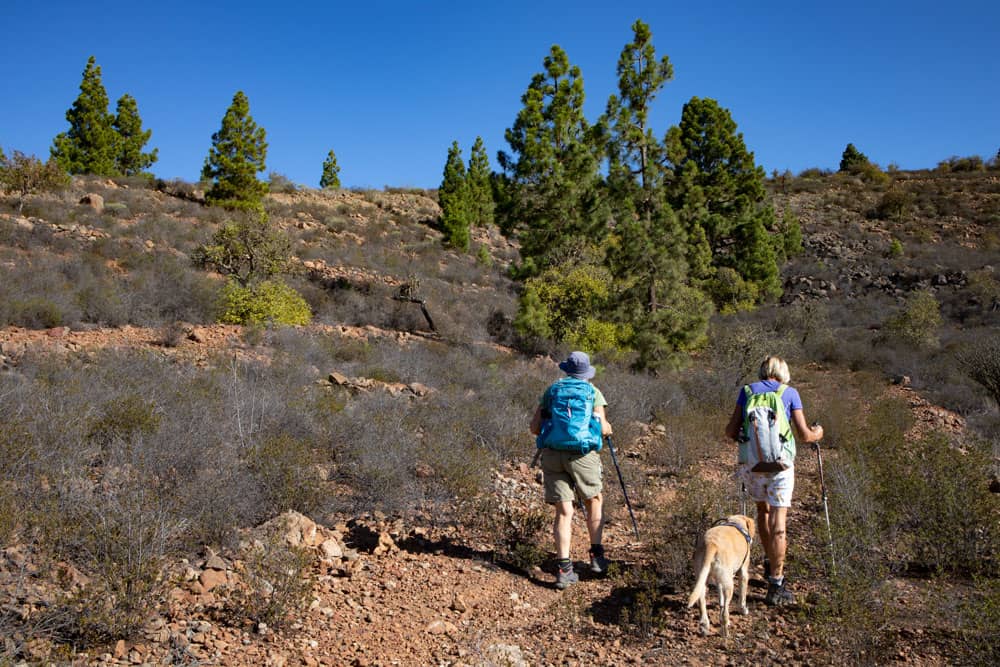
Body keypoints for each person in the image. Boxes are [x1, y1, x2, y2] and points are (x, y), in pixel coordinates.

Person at [724, 355, 823, 606]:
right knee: (779, 522)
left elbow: (729, 431)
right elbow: (804, 435)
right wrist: (818, 433)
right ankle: (776, 583)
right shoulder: (790, 393)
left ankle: (770, 560)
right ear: (782, 372)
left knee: (762, 511)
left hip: (754, 464)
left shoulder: (747, 391)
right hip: (781, 466)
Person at [530, 351, 613, 589]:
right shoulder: (593, 392)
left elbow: (535, 427)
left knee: (564, 511)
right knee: (593, 501)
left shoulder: (552, 391)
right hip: (583, 455)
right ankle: (596, 557)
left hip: (553, 455)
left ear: (566, 370)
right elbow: (603, 427)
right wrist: (607, 429)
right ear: (586, 372)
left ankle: (564, 569)